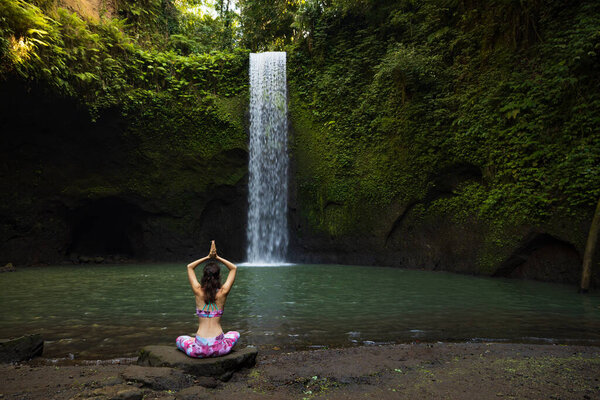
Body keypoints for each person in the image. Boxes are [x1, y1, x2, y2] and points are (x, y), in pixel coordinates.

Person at [176, 240, 240, 358]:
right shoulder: (223, 292)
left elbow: (189, 267)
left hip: (199, 349)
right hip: (220, 348)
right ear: (219, 276)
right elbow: (233, 268)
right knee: (235, 334)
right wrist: (217, 257)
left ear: (204, 276)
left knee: (180, 339)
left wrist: (207, 257)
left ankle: (195, 342)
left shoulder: (198, 291)